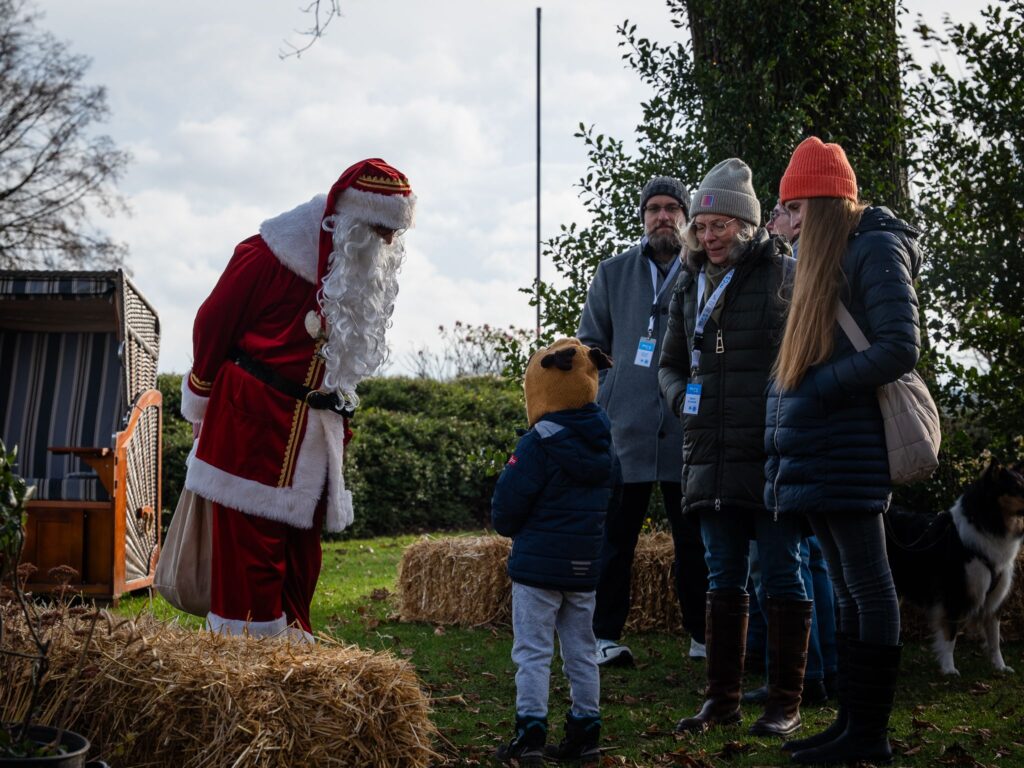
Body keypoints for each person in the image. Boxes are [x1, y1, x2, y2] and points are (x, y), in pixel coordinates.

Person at [179, 158, 416, 640]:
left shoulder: (348, 275)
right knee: (251, 555)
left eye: (395, 233)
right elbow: (212, 323)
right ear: (348, 220)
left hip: (311, 436)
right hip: (250, 424)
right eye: (381, 230)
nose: (388, 242)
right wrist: (200, 398)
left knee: (300, 559)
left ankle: (294, 656)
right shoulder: (267, 254)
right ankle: (250, 660)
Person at [766, 136, 920, 765]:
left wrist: (819, 388)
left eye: (795, 208)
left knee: (870, 588)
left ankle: (869, 736)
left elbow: (899, 346)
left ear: (826, 203)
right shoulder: (826, 257)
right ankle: (851, 725)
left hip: (851, 445)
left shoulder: (874, 247)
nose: (788, 221)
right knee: (851, 590)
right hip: (824, 447)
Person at [659, 158, 812, 738]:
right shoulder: (687, 283)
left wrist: (785, 412)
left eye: (719, 225)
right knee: (722, 577)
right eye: (700, 226)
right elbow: (670, 364)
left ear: (746, 226)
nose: (708, 237)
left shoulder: (786, 276)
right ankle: (721, 701)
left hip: (771, 454)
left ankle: (784, 704)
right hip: (710, 456)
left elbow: (807, 355)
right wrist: (682, 402)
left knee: (781, 575)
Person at [577, 175, 709, 666]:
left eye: (672, 207)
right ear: (643, 217)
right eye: (654, 208)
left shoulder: (705, 270)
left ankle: (703, 635)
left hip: (686, 430)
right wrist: (608, 394)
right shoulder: (612, 273)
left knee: (694, 542)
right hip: (624, 431)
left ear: (686, 217)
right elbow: (590, 344)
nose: (663, 216)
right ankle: (603, 637)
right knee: (615, 541)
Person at [491, 338, 618, 767]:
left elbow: (507, 508)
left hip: (537, 571)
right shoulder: (605, 445)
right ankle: (586, 736)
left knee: (532, 652)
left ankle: (529, 737)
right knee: (582, 651)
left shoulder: (537, 444)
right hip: (584, 571)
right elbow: (613, 503)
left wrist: (513, 527)